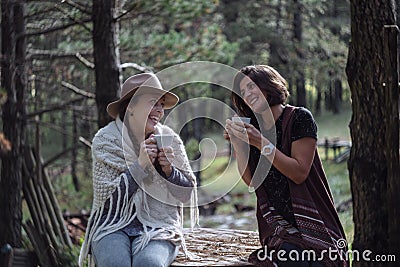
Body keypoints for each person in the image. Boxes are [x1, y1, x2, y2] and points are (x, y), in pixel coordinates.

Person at [224, 65, 348, 267]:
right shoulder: (253, 129)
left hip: (314, 219)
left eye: (251, 86)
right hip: (277, 224)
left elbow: (299, 173)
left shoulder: (299, 118)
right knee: (292, 259)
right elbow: (252, 181)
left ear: (268, 86)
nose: (247, 94)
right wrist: (239, 144)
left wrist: (260, 142)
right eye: (242, 91)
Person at [79, 73, 198, 267]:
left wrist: (169, 171)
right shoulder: (106, 141)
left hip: (158, 225)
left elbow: (187, 194)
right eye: (153, 103)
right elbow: (108, 203)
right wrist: (140, 165)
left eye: (161, 104)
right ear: (131, 106)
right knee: (115, 264)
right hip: (112, 226)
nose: (159, 110)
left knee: (149, 263)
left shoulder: (170, 140)